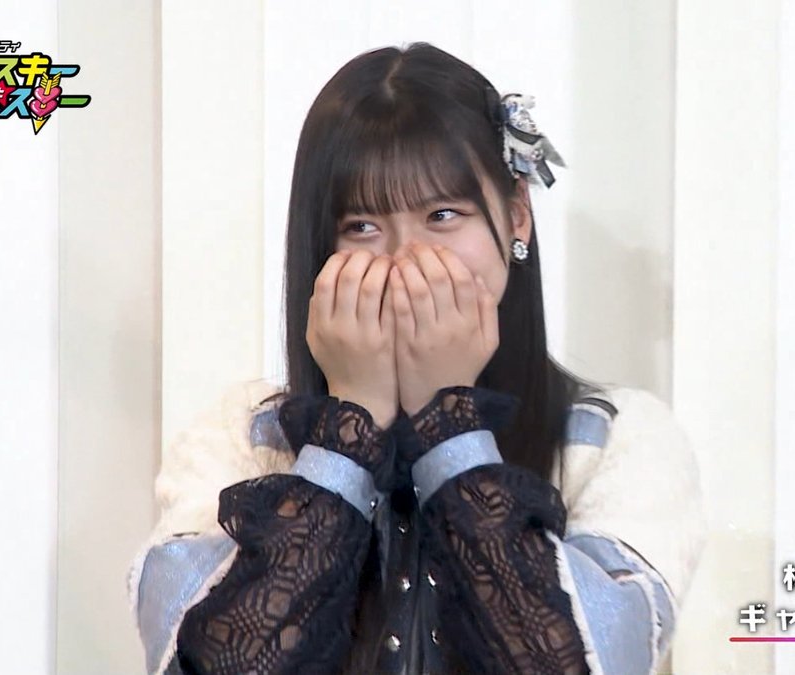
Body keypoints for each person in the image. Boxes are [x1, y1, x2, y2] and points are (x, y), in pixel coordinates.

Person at [129, 42, 705, 675]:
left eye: (443, 214)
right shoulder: (242, 436)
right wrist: (350, 423)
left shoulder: (619, 439)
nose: (406, 261)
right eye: (361, 226)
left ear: (517, 214)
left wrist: (447, 420)